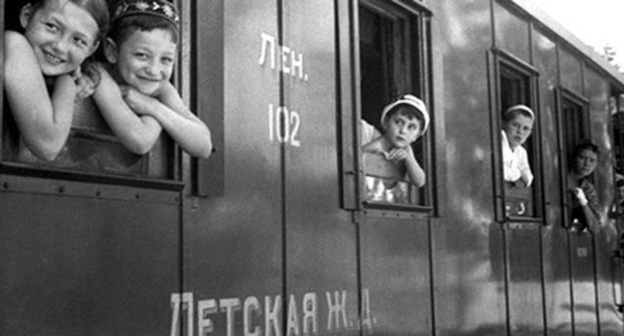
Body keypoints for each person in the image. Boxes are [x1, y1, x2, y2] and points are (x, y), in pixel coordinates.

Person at [92, 0, 212, 158]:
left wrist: (152, 107)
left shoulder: (160, 88)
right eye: (142, 55)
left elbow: (203, 146)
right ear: (112, 51)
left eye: (166, 59)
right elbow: (140, 140)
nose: (154, 70)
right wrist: (157, 113)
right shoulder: (98, 74)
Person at [3, 0, 109, 161]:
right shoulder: (12, 43)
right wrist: (67, 84)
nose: (60, 46)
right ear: (26, 16)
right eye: (52, 27)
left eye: (79, 41)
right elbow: (48, 145)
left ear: (92, 48)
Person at [361, 94, 428, 203]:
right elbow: (353, 159)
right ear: (387, 123)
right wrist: (374, 148)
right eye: (398, 122)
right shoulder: (377, 142)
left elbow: (420, 181)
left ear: (417, 135)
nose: (403, 131)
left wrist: (408, 159)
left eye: (411, 127)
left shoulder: (407, 149)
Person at [567, 141, 600, 232]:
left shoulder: (587, 189)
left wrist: (583, 202)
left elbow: (595, 228)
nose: (587, 164)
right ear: (574, 158)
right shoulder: (560, 176)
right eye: (582, 158)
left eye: (592, 160)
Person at [501, 104, 535, 188]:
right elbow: (500, 171)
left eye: (525, 128)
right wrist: (518, 173)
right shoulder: (498, 142)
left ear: (530, 133)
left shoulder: (521, 151)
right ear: (504, 124)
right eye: (515, 125)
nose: (520, 131)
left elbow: (529, 178)